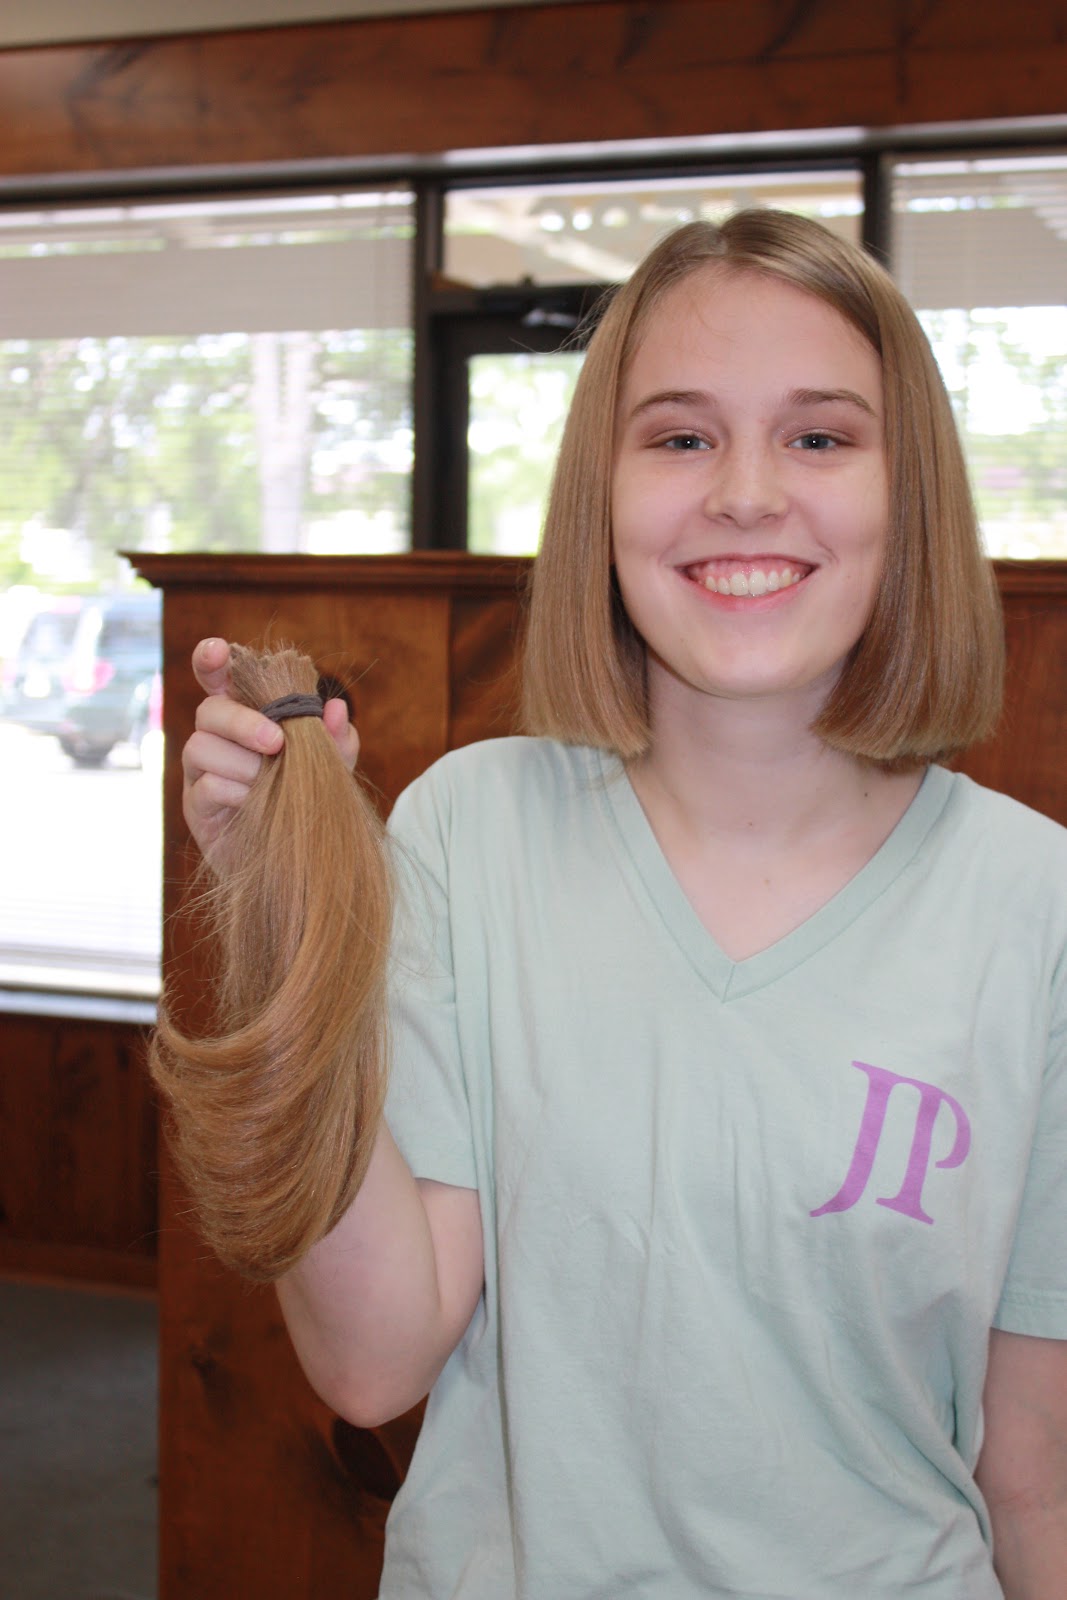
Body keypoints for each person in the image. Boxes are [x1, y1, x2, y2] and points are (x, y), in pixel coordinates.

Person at [179, 210, 1067, 1598]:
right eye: (681, 437)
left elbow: (1035, 1471)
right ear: (601, 489)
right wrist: (293, 917)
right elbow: (371, 1361)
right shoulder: (471, 832)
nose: (748, 493)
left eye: (821, 436)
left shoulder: (1040, 910)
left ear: (915, 498)